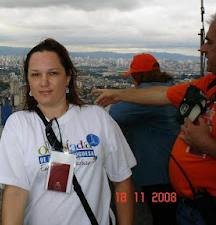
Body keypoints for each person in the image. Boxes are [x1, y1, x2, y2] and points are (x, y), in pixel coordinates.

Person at [0, 38, 137, 225]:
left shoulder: (97, 118)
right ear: (28, 81)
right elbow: (15, 192)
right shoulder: (19, 125)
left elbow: (122, 182)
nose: (44, 82)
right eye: (35, 75)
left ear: (68, 77)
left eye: (53, 73)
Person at [92, 14, 216, 225]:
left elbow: (117, 114)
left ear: (137, 77)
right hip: (187, 197)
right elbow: (161, 95)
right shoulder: (208, 84)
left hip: (170, 187)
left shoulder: (141, 104)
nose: (202, 49)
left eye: (210, 42)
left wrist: (207, 145)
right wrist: (118, 94)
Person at [109, 53, 180, 225]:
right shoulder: (171, 89)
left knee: (161, 217)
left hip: (156, 176)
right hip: (173, 170)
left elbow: (115, 113)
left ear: (138, 76)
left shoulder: (147, 97)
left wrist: (126, 95)